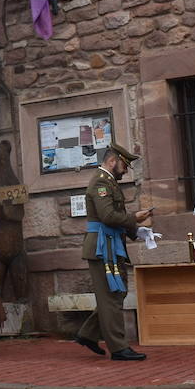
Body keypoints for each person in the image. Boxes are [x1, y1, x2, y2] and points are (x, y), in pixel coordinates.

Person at [75, 143, 152, 362]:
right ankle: (118, 348)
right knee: (112, 297)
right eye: (124, 165)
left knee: (113, 296)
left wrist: (139, 232)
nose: (125, 170)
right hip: (102, 247)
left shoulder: (108, 182)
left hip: (109, 244)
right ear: (112, 161)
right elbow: (108, 216)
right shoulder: (101, 182)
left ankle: (87, 334)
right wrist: (135, 218)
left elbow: (115, 216)